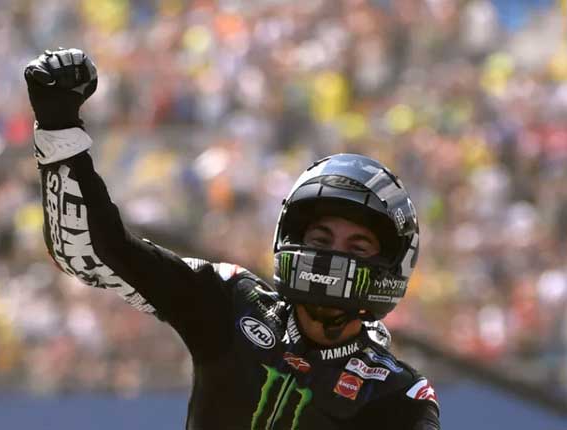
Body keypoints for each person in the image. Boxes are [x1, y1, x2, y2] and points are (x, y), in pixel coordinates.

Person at [24, 48, 441, 430]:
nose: (334, 256)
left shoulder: (398, 393)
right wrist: (59, 129)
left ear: (391, 266)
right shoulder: (231, 300)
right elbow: (91, 253)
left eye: (356, 247)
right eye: (321, 238)